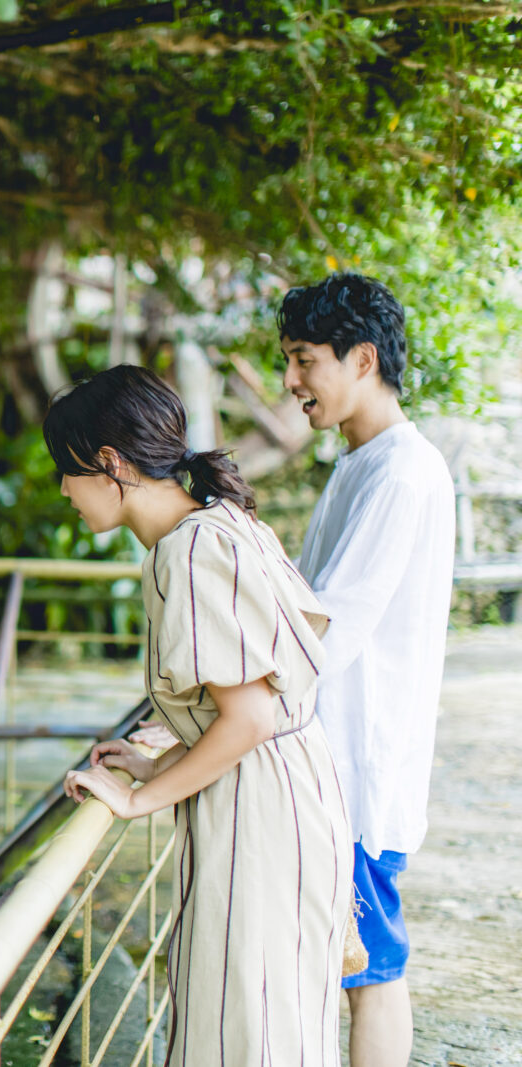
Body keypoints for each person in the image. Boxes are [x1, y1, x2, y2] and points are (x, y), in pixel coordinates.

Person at [48, 365, 353, 1067]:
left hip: (263, 809)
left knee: (246, 1028)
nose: (63, 489)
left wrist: (137, 797)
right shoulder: (216, 524)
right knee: (269, 1020)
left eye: (67, 470)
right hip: (283, 792)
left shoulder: (190, 550)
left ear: (109, 464)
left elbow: (248, 717)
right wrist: (163, 758)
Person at [280, 274, 455, 1067]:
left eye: (303, 359)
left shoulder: (399, 472)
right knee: (340, 961)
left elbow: (332, 628)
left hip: (357, 770)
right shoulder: (360, 462)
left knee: (370, 969)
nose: (291, 382)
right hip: (334, 762)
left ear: (362, 359)